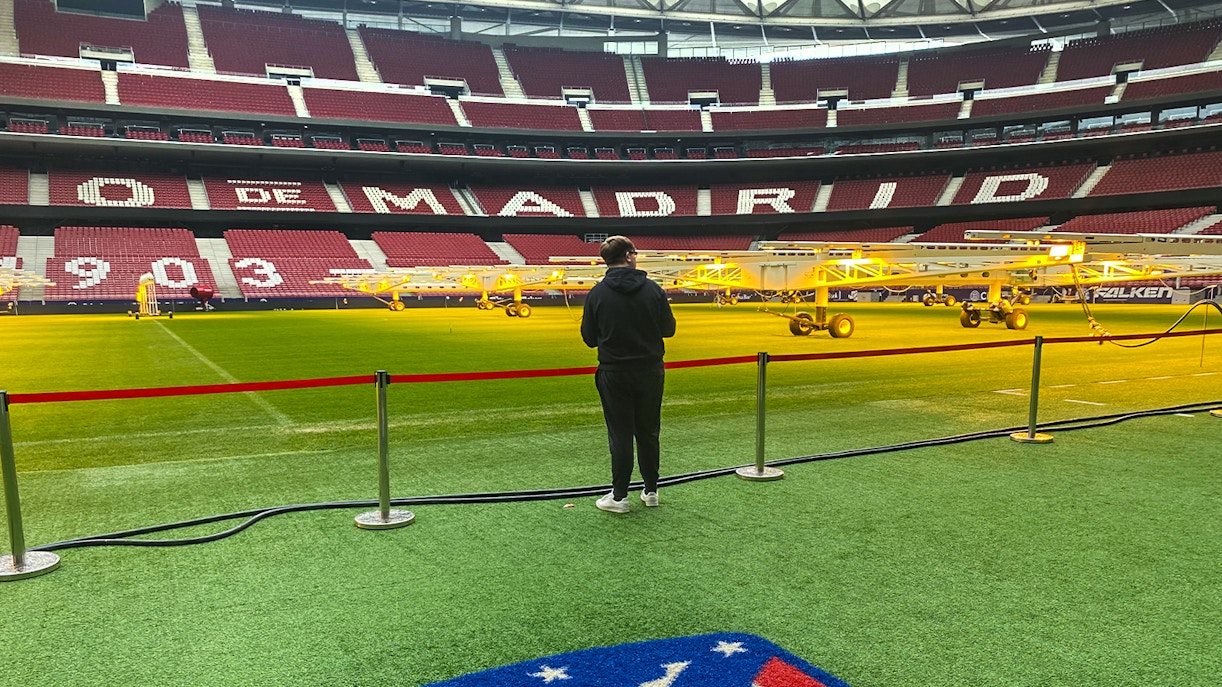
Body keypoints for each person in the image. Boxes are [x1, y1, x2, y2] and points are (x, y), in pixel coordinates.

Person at [581, 236, 676, 514]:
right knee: (649, 432)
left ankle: (620, 496)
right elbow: (668, 329)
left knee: (620, 434)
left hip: (615, 371)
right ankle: (651, 490)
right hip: (650, 369)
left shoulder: (597, 294)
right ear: (629, 255)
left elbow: (588, 338)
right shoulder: (653, 290)